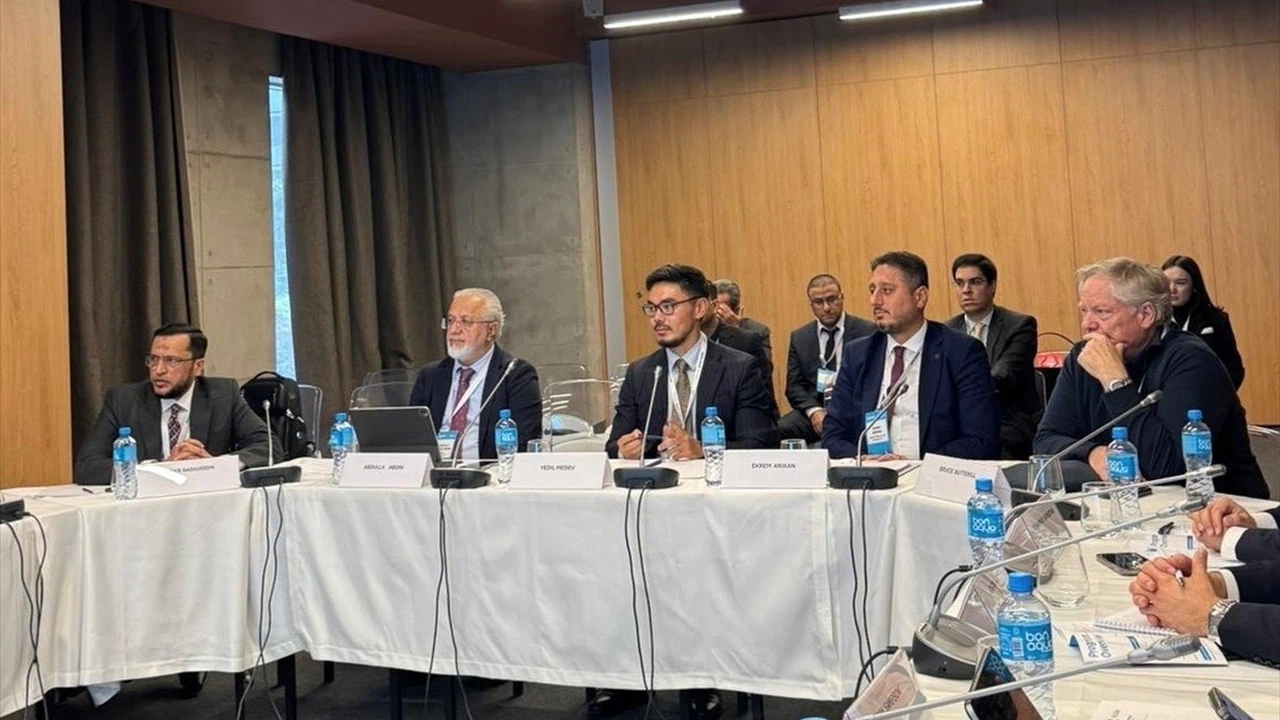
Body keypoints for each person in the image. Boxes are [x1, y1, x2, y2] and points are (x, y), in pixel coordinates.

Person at [1033, 258, 1267, 498]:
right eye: (1084, 311)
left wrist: (1115, 381)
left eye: (1102, 312)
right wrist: (1092, 453)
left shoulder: (1192, 360)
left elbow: (1168, 468)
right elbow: (1045, 442)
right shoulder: (1083, 356)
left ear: (1146, 314)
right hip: (1127, 502)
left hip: (1221, 508)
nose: (1087, 324)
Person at [822, 252, 1000, 460]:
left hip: (930, 474)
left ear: (920, 297)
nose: (874, 301)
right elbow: (832, 435)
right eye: (872, 290)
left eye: (886, 290)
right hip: (873, 474)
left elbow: (981, 439)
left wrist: (918, 465)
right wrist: (863, 459)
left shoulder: (961, 352)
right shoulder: (858, 354)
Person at [74, 323, 276, 486]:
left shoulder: (223, 395)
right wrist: (160, 468)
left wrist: (214, 465)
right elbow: (87, 467)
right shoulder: (123, 400)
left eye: (171, 361)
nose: (158, 370)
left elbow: (268, 446)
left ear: (198, 366)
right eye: (153, 359)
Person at [408, 288, 541, 462]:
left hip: (490, 474)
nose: (454, 330)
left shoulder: (516, 376)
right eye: (450, 321)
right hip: (436, 474)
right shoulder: (430, 376)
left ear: (491, 330)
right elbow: (412, 439)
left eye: (465, 322)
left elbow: (524, 444)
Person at [945, 254, 1042, 459]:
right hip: (960, 422)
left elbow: (1004, 377)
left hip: (1007, 422)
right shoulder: (946, 331)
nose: (966, 290)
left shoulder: (1020, 325)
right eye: (959, 283)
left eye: (975, 282)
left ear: (993, 286)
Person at [777, 274, 875, 443]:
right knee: (778, 430)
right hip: (816, 410)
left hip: (853, 409)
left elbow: (874, 379)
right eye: (818, 302)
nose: (827, 307)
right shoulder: (800, 337)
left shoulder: (867, 331)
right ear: (810, 304)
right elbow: (794, 387)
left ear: (842, 297)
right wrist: (814, 411)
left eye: (832, 299)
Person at [1161, 255, 1245, 390]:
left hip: (1208, 394)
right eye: (1166, 283)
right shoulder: (1154, 322)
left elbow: (1234, 370)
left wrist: (1217, 396)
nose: (1172, 289)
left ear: (1194, 285)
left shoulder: (1215, 319)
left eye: (1180, 283)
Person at [702, 281, 777, 417]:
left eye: (722, 310)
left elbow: (765, 372)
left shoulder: (755, 333)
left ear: (736, 311)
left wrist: (736, 328)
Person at [711, 278, 772, 360]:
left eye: (721, 310)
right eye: (712, 306)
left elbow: (764, 366)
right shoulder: (701, 328)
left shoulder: (758, 331)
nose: (714, 312)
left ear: (736, 311)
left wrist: (736, 330)